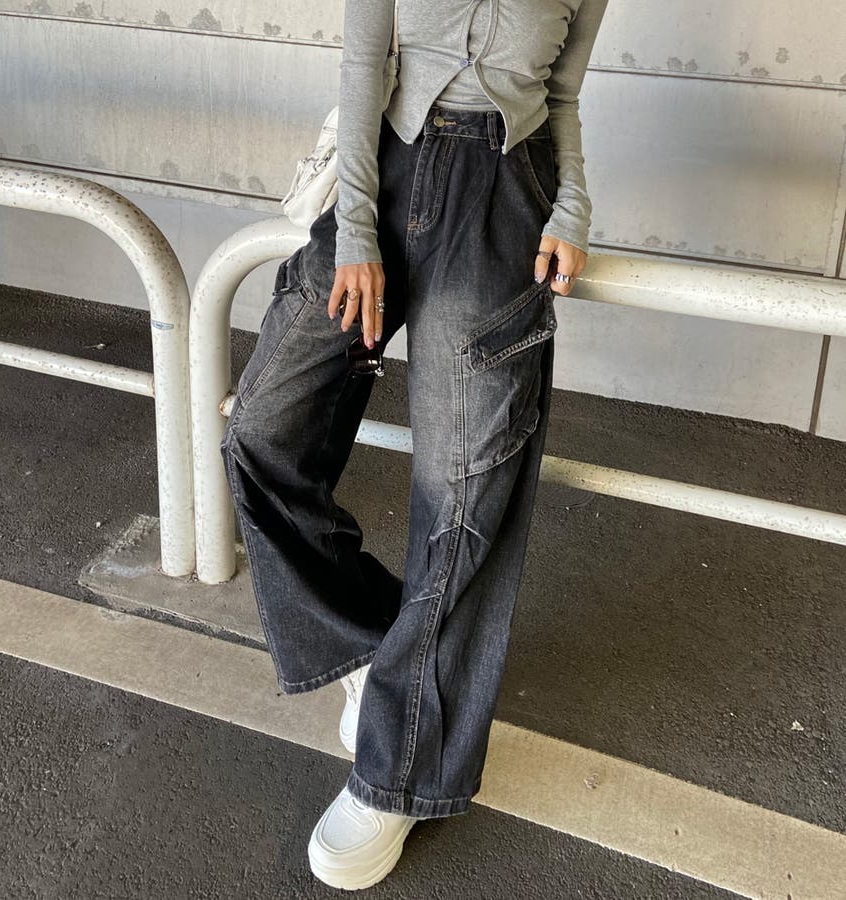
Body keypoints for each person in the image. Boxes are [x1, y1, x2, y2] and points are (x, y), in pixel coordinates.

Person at [220, 0, 609, 889]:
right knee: (263, 430)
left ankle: (396, 776)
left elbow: (562, 95)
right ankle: (373, 645)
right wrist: (357, 232)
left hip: (506, 198)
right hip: (385, 178)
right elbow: (364, 69)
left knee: (462, 496)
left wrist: (573, 206)